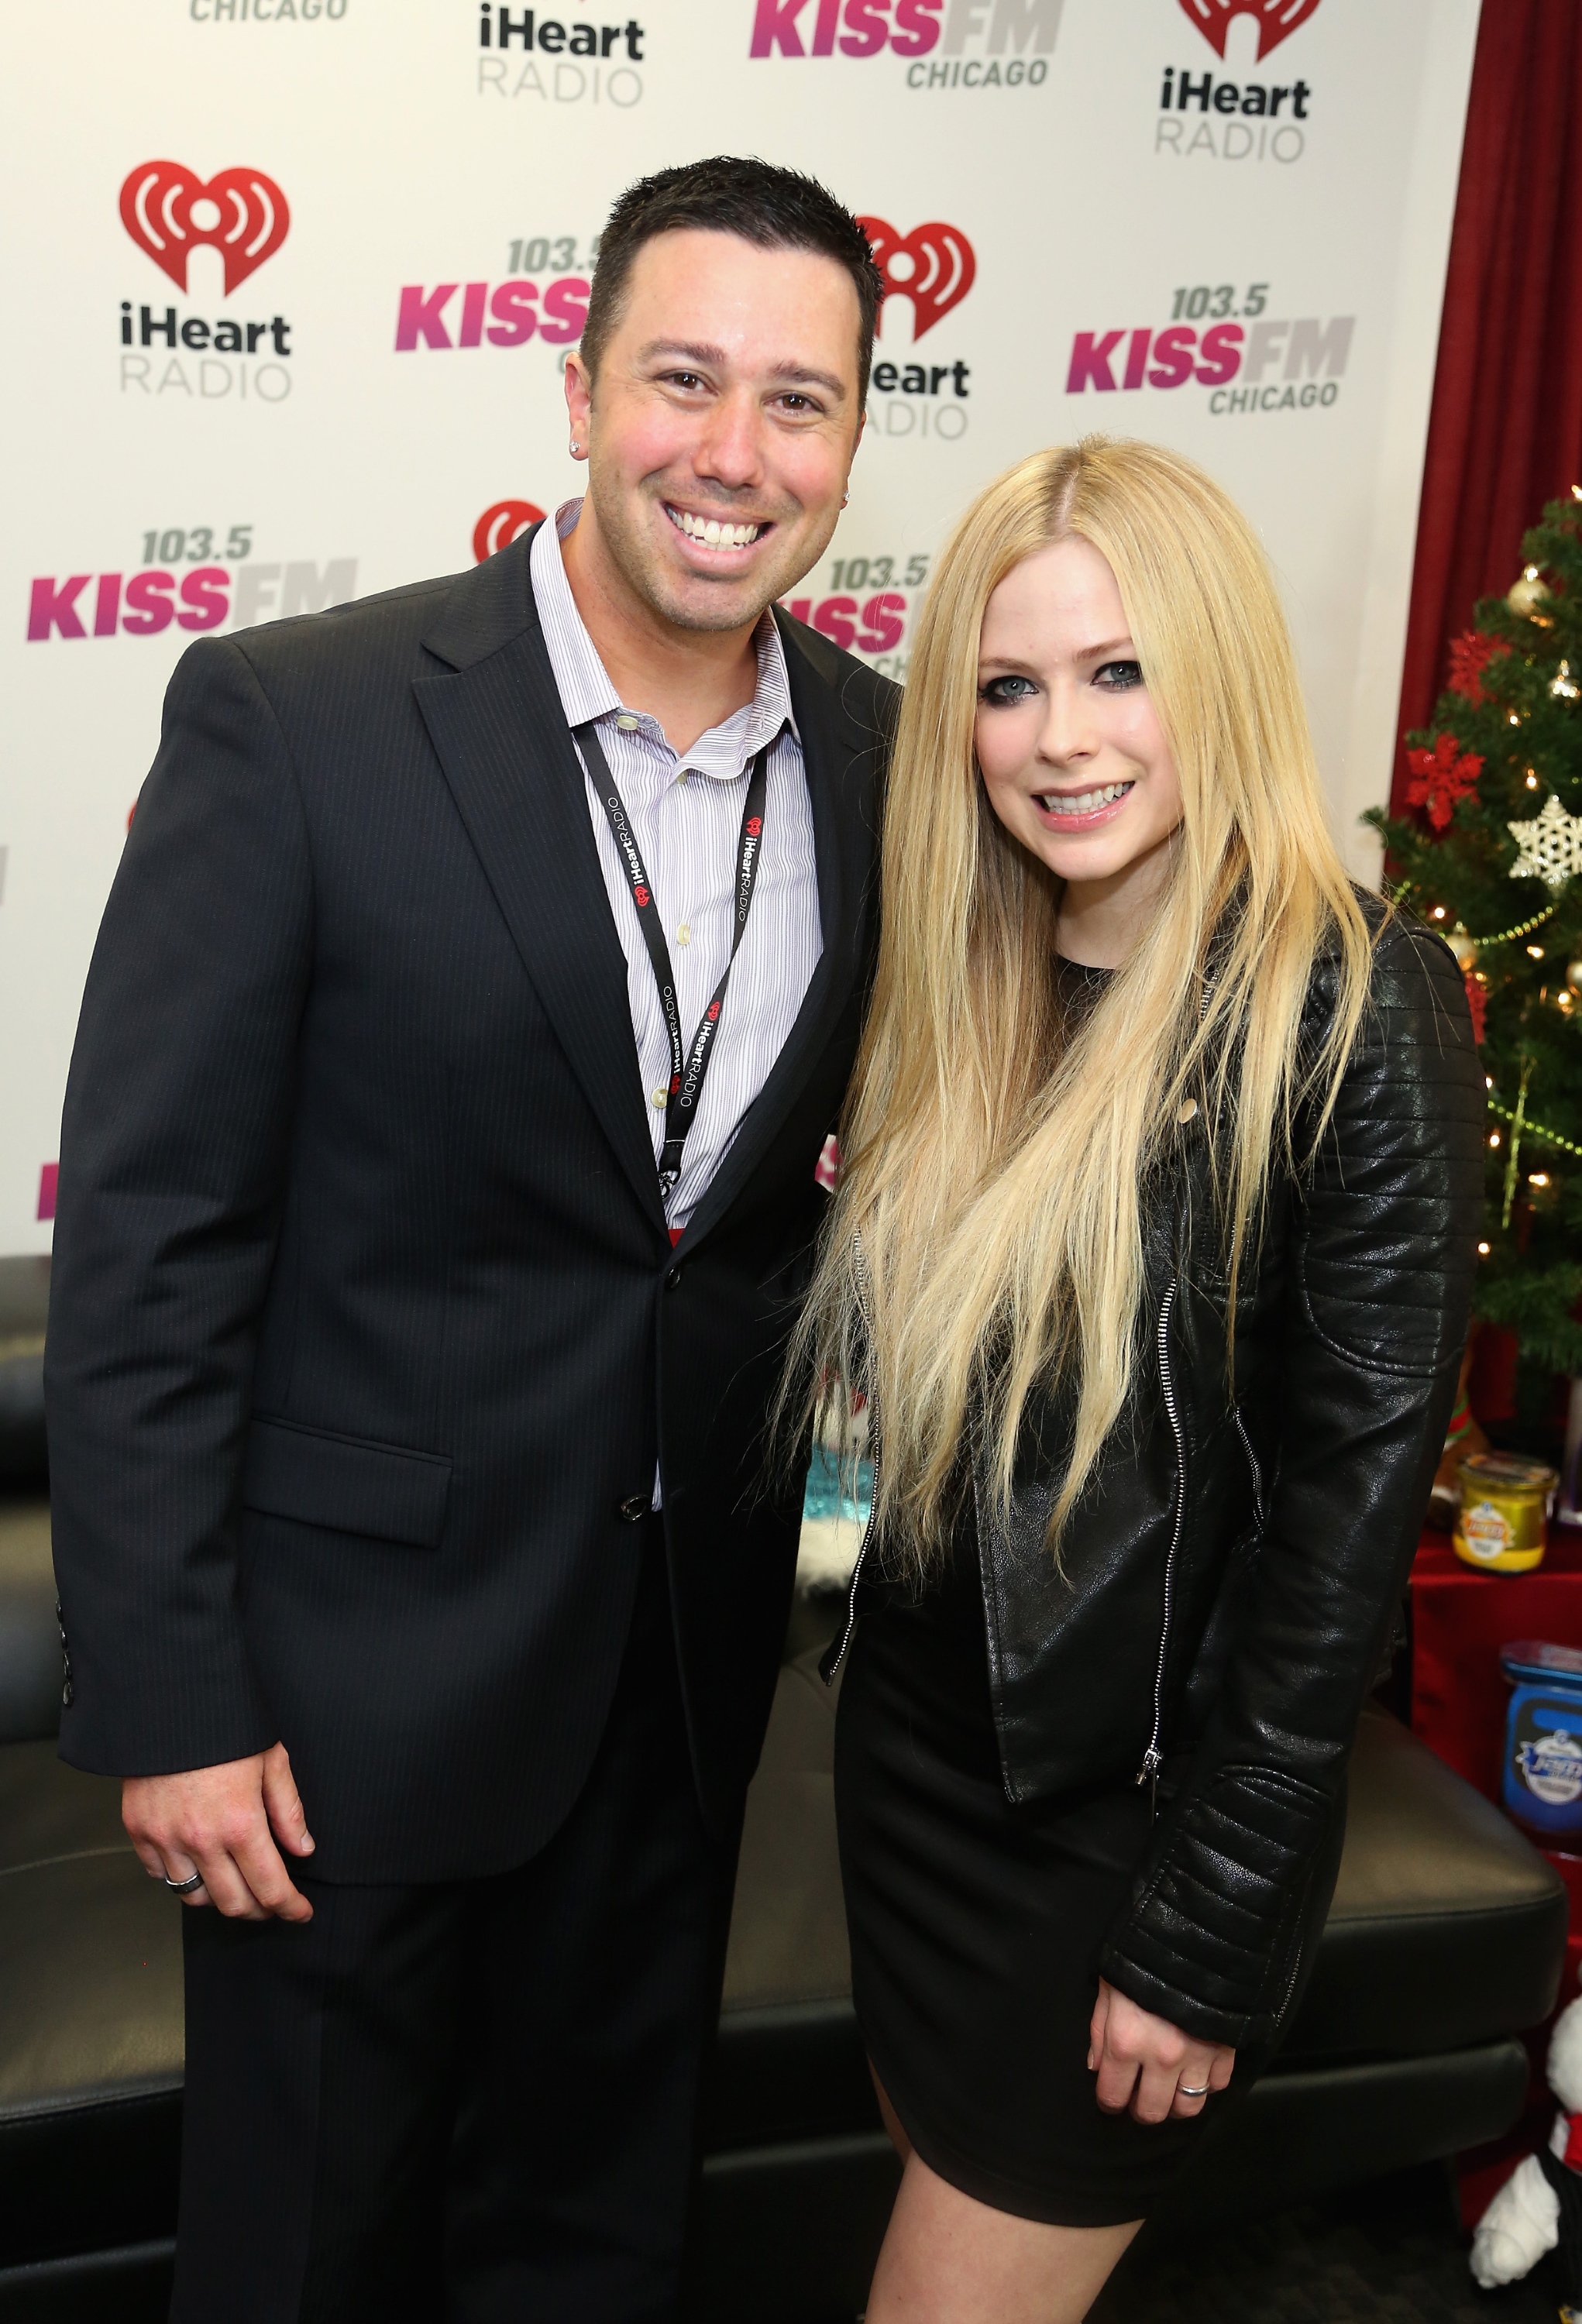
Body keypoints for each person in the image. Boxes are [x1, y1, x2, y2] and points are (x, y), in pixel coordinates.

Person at [45, 157, 893, 2322]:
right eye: (683, 379)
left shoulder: (893, 767)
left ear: (853, 440)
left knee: (595, 2259)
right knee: (301, 2265)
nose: (734, 451)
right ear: (578, 390)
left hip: (679, 1697)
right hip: (334, 1719)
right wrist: (172, 1696)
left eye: (798, 400)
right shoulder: (297, 719)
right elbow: (152, 1243)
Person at [796, 437, 1484, 2322]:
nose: (1060, 738)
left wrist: (1208, 1929)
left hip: (1123, 1838)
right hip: (913, 1774)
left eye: (1119, 672)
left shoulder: (1353, 1001)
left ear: (1219, 672)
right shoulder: (963, 971)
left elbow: (1341, 1543)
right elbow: (882, 1400)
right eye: (1007, 686)